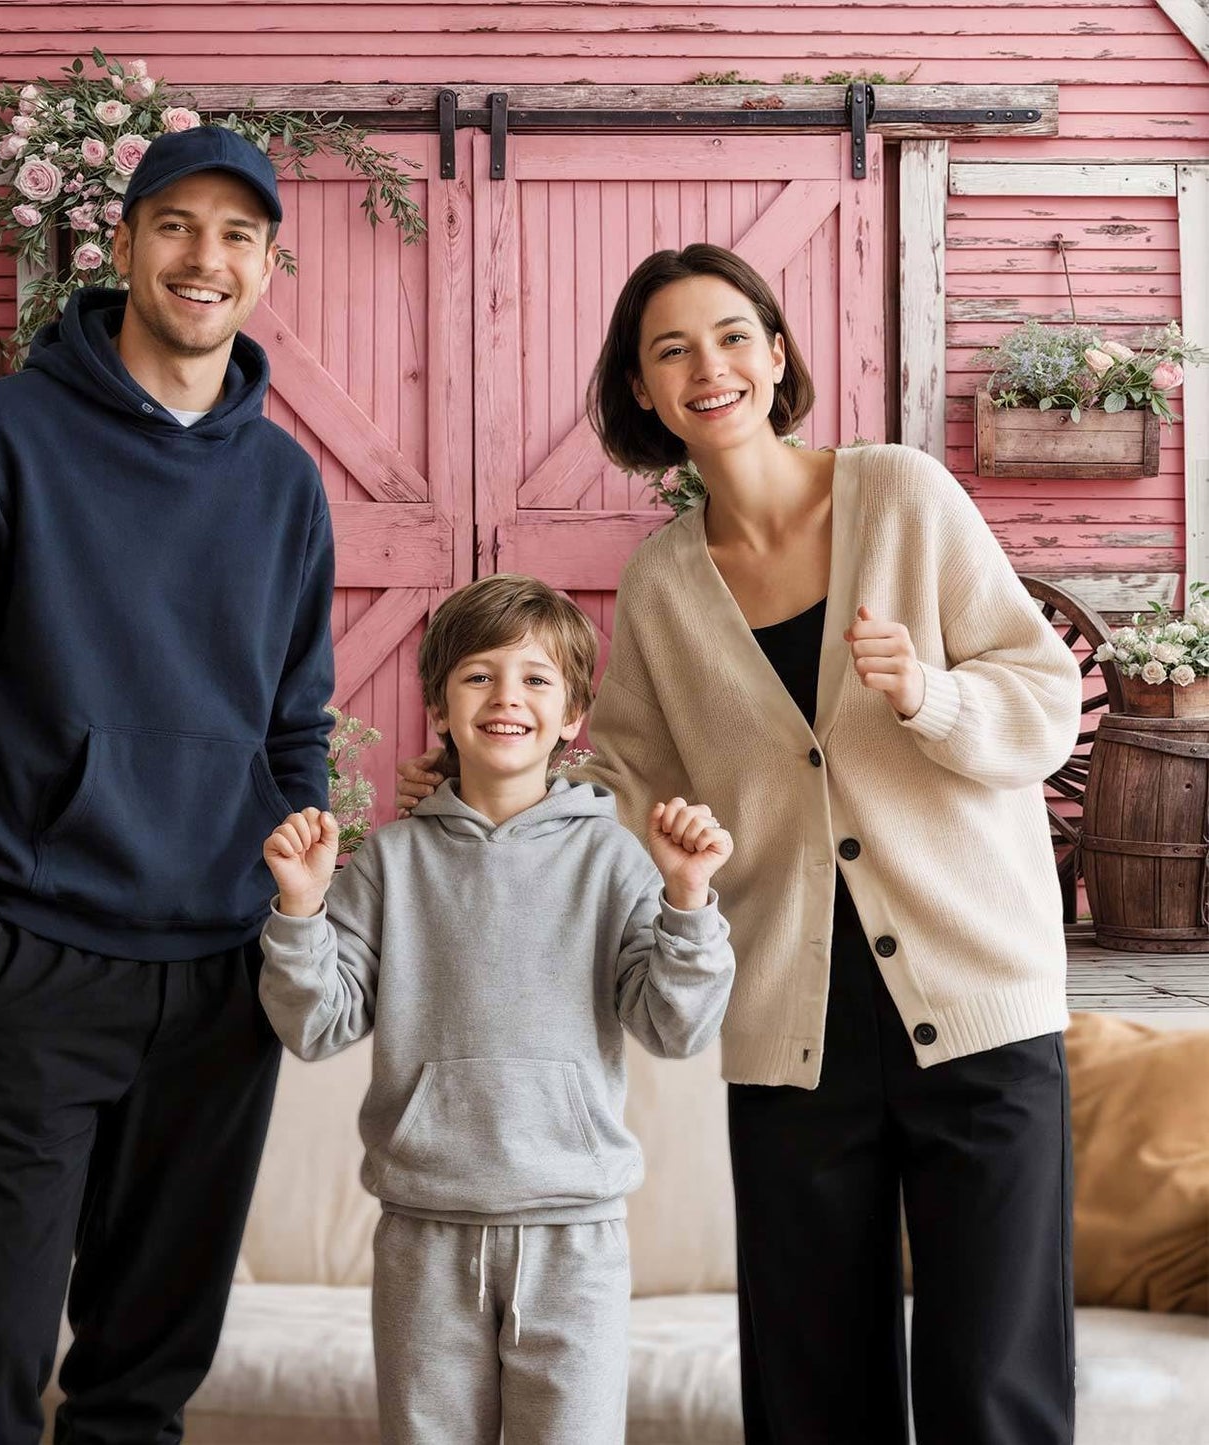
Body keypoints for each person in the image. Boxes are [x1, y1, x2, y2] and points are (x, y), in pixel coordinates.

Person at [397, 245, 1083, 1444]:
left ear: (773, 355)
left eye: (728, 336)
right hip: (786, 1020)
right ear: (644, 397)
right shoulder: (661, 584)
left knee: (994, 1383)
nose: (705, 366)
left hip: (977, 995)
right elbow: (619, 782)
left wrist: (925, 693)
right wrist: (485, 784)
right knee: (810, 1387)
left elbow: (1039, 697)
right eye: (668, 351)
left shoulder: (903, 494)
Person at [0, 125, 335, 1445]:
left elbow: (297, 724)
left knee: (143, 1383)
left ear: (268, 268)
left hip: (220, 975)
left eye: (239, 235)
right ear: (121, 244)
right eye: (176, 224)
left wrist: (289, 910)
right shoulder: (0, 435)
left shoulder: (288, 484)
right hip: (34, 961)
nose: (206, 257)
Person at [259, 573, 735, 1445]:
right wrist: (299, 909)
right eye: (478, 675)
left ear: (572, 716)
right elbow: (314, 1023)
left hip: (578, 1238)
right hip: (423, 1234)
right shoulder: (389, 863)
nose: (506, 697)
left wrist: (689, 899)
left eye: (536, 679)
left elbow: (678, 1026)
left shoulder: (619, 861)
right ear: (439, 707)